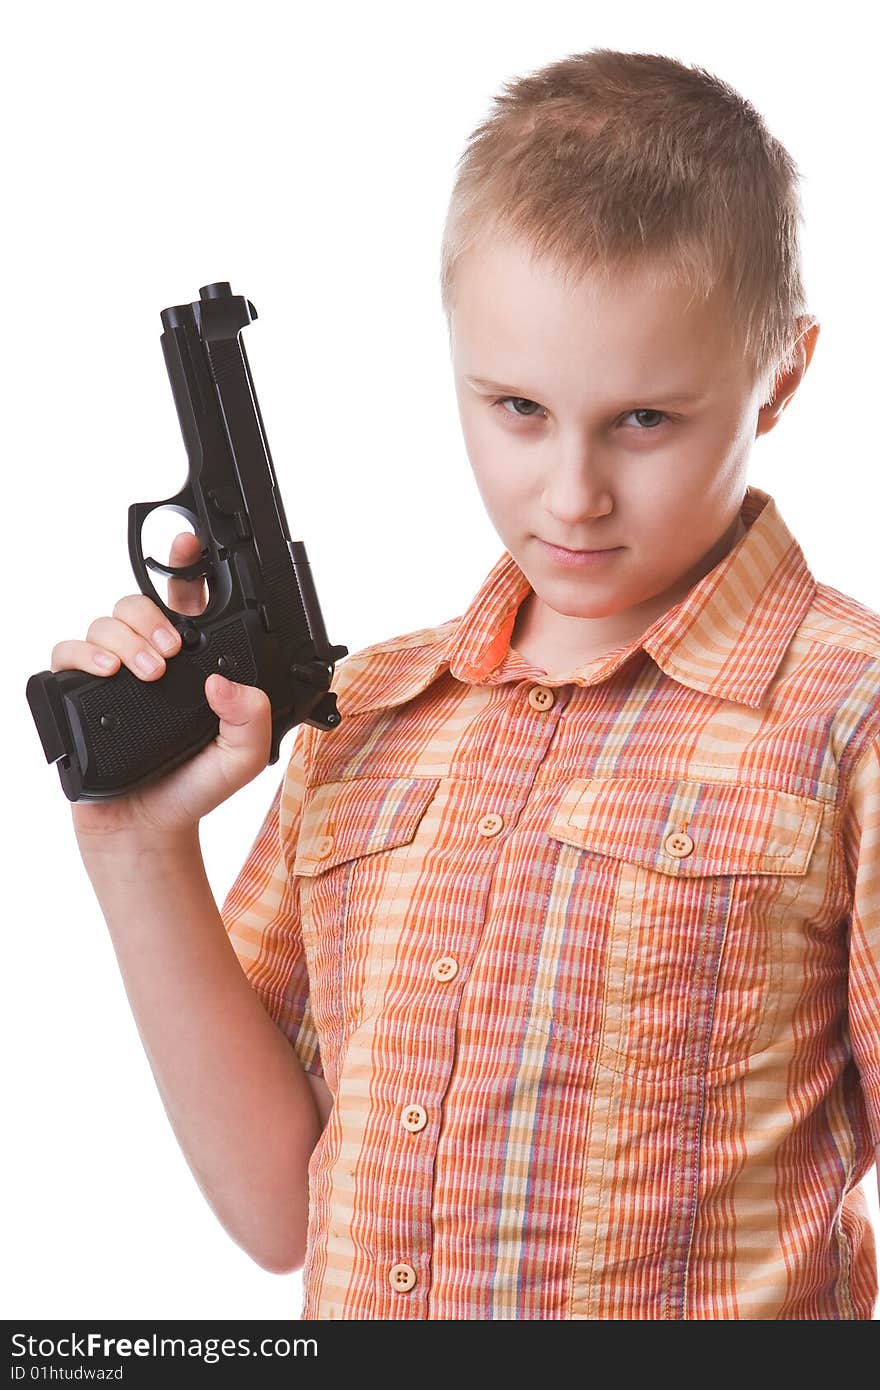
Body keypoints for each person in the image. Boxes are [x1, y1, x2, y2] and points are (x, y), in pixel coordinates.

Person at [53, 48, 880, 1319]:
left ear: (780, 372)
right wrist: (134, 846)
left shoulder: (848, 717)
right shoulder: (366, 712)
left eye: (644, 420)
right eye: (516, 407)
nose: (572, 493)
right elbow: (282, 1209)